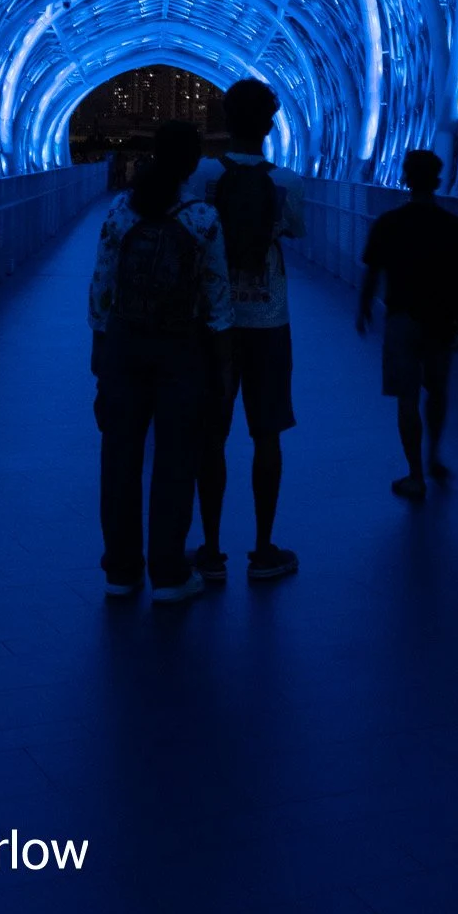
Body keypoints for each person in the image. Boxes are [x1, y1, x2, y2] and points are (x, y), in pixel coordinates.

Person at [88, 120, 233, 603]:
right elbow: (217, 300)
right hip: (181, 347)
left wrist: (100, 353)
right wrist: (221, 368)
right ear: (192, 163)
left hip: (123, 343)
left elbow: (102, 285)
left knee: (120, 456)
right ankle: (169, 574)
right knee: (176, 458)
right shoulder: (203, 218)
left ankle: (121, 570)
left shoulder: (120, 210)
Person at [185, 78, 303, 585]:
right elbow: (294, 230)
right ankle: (263, 549)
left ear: (226, 121)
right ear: (270, 126)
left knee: (211, 435)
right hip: (269, 319)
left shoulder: (204, 176)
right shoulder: (287, 181)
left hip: (215, 320)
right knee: (267, 434)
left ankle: (211, 551)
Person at [357, 150, 458, 499]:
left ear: (406, 179)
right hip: (441, 318)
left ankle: (415, 475)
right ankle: (434, 456)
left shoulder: (389, 223)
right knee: (437, 391)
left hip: (401, 318)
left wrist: (364, 308)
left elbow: (373, 269)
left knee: (406, 398)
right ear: (437, 181)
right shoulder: (453, 225)